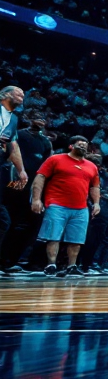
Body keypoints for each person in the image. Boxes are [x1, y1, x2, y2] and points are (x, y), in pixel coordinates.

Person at [30, 135, 100, 278]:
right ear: (71, 146)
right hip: (57, 204)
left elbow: (95, 186)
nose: (83, 147)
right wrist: (36, 199)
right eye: (80, 144)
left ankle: (71, 266)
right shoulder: (55, 159)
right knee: (53, 236)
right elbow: (40, 177)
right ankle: (51, 265)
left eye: (85, 145)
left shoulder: (92, 166)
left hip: (81, 208)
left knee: (76, 239)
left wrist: (97, 203)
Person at [1, 109, 49, 271]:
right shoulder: (19, 135)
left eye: (43, 118)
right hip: (14, 182)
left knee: (29, 224)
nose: (40, 120)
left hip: (33, 187)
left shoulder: (45, 142)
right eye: (37, 117)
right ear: (28, 118)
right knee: (11, 220)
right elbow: (10, 154)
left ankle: (10, 261)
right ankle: (3, 260)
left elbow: (46, 167)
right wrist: (14, 179)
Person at [0, 85, 29, 269]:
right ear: (5, 94)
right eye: (18, 93)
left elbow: (13, 145)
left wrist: (21, 170)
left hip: (1, 166)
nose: (22, 96)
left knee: (4, 221)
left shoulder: (14, 119)